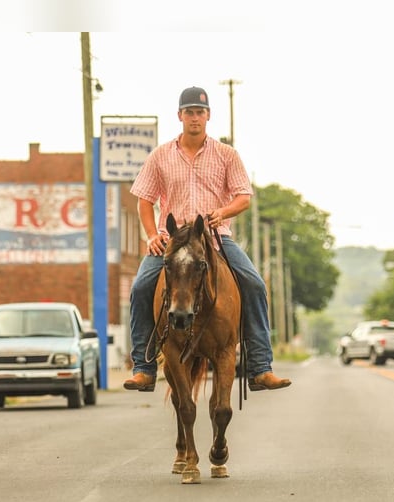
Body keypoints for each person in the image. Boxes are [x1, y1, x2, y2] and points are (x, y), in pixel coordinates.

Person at [123, 86, 292, 393]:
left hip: (214, 238)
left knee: (254, 284)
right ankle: (144, 368)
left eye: (200, 112)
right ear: (180, 116)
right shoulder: (160, 156)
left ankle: (260, 368)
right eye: (189, 112)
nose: (195, 118)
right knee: (139, 288)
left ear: (208, 115)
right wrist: (151, 235)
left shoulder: (227, 155)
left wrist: (223, 211)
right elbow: (144, 201)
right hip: (172, 240)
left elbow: (243, 197)